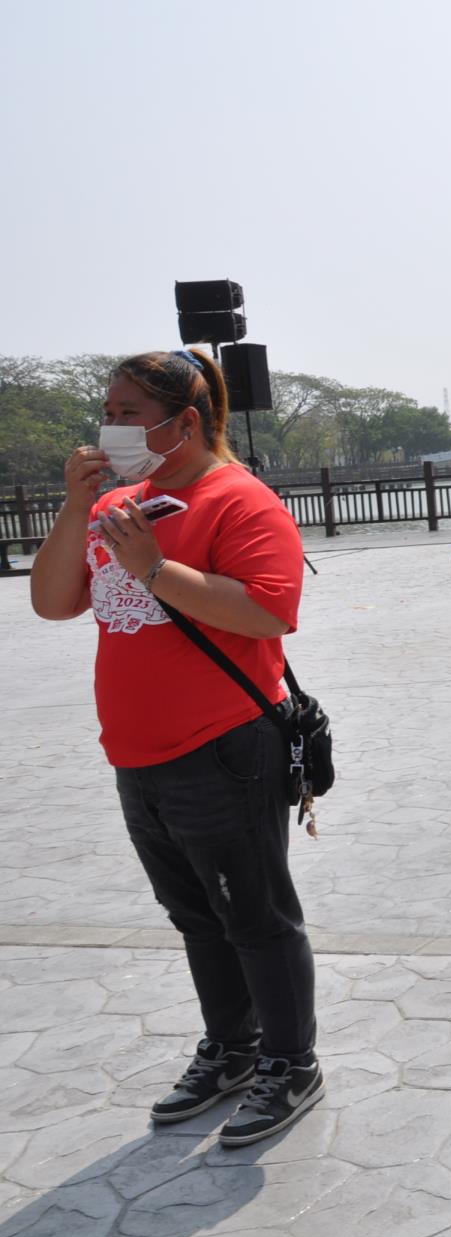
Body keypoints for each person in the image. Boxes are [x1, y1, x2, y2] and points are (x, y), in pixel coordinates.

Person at [28, 348, 323, 1147]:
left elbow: (268, 612)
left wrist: (154, 567)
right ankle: (234, 1046)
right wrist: (75, 506)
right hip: (137, 753)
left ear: (184, 422)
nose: (110, 427)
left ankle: (290, 1061)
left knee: (255, 915)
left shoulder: (240, 499)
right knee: (196, 914)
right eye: (108, 412)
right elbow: (52, 601)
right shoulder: (115, 503)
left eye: (127, 413)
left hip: (223, 746)